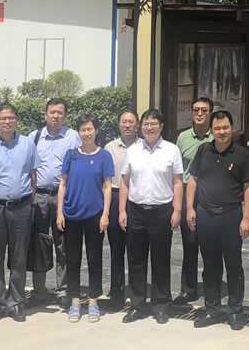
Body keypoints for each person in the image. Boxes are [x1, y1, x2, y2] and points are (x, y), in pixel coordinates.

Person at [186, 111, 249, 330]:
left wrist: (246, 217)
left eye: (225, 128)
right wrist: (190, 208)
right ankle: (212, 310)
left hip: (231, 216)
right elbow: (193, 180)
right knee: (210, 265)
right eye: (217, 129)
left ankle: (235, 311)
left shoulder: (242, 154)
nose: (221, 132)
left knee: (233, 265)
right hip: (206, 215)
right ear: (211, 131)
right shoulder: (203, 150)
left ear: (232, 128)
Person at [0, 103, 40, 323]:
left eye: (11, 118)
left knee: (19, 257)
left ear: (16, 120)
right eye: (2, 118)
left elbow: (33, 176)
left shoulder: (28, 145)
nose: (7, 122)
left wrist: (32, 205)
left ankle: (17, 302)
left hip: (21, 207)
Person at [119, 109, 183, 324]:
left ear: (161, 126)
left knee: (161, 260)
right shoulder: (133, 151)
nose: (149, 127)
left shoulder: (172, 150)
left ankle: (161, 305)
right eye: (146, 124)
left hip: (162, 212)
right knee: (135, 260)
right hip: (136, 211)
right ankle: (137, 305)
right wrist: (122, 211)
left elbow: (177, 182)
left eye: (153, 123)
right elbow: (125, 182)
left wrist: (177, 210)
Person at [56, 114, 113, 323]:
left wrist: (105, 214)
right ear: (78, 132)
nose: (86, 133)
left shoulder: (104, 156)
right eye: (83, 129)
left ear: (96, 131)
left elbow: (107, 186)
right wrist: (60, 212)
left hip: (95, 215)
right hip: (72, 214)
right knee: (72, 260)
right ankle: (74, 301)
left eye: (90, 129)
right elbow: (62, 184)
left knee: (94, 258)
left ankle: (93, 300)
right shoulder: (71, 155)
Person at [26, 98, 81, 308]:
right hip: (38, 196)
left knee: (63, 245)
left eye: (59, 112)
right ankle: (39, 291)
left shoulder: (73, 137)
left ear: (65, 115)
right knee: (38, 244)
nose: (55, 116)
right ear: (45, 115)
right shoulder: (34, 136)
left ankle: (63, 291)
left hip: (62, 197)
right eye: (52, 112)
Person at [173, 97, 212, 305]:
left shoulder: (216, 136)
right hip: (188, 192)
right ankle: (188, 289)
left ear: (210, 113)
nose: (199, 114)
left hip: (210, 193)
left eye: (204, 110)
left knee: (209, 243)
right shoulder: (183, 137)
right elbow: (177, 170)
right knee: (189, 243)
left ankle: (212, 287)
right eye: (196, 110)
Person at [101, 110, 137, 310]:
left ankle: (136, 291)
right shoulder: (110, 147)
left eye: (131, 122)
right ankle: (116, 291)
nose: (127, 125)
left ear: (137, 124)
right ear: (119, 124)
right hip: (115, 196)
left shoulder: (143, 146)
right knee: (116, 248)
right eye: (124, 122)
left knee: (135, 247)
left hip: (136, 198)